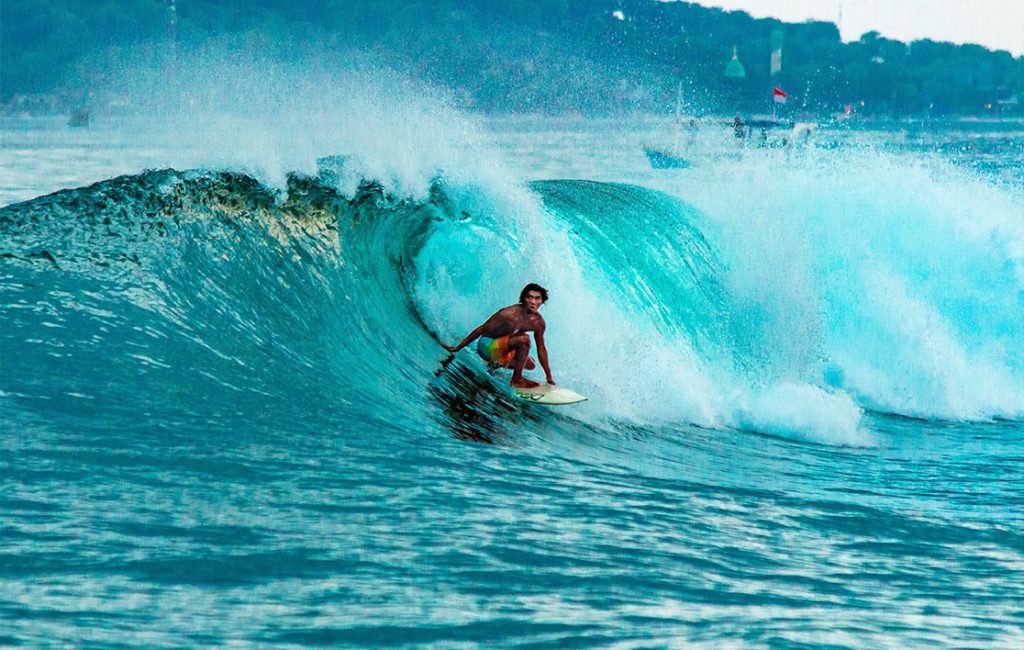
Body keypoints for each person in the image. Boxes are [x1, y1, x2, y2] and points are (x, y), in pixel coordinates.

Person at [443, 283, 555, 389]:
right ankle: (516, 380)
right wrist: (457, 348)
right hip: (486, 346)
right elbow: (481, 329)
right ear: (523, 298)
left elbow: (541, 349)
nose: (533, 301)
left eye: (537, 298)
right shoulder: (509, 314)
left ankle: (495, 364)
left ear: (542, 301)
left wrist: (549, 377)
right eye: (529, 297)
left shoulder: (538, 322)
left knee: (530, 364)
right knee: (524, 340)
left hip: (501, 347)